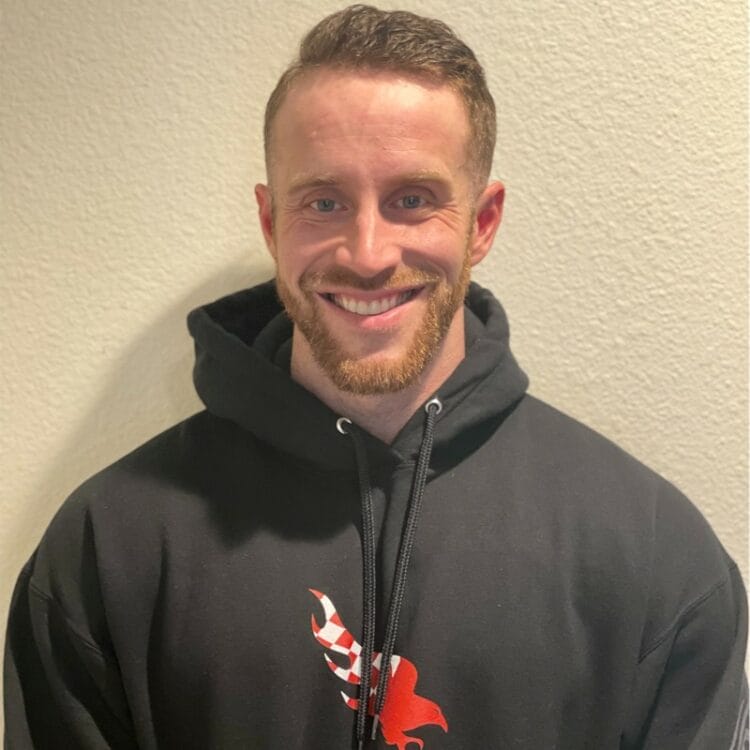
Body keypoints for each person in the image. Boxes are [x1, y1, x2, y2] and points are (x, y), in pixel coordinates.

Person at [5, 4, 747, 749]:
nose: (366, 252)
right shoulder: (109, 549)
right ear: (270, 223)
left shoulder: (654, 556)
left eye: (412, 200)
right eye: (324, 202)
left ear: (482, 224)